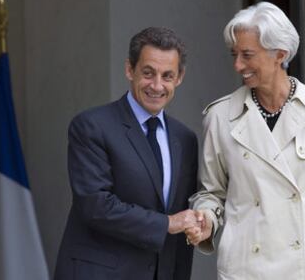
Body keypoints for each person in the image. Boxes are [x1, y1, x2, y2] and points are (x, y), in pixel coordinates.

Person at [186, 2, 305, 280]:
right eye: (234, 54)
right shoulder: (220, 117)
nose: (238, 65)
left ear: (280, 54)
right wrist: (206, 218)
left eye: (247, 55)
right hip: (248, 269)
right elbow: (212, 193)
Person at [54, 27, 199, 280]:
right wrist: (167, 224)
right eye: (148, 73)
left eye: (167, 76)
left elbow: (183, 217)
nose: (157, 85)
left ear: (180, 78)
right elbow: (95, 205)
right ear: (129, 70)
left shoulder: (185, 139)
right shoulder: (91, 126)